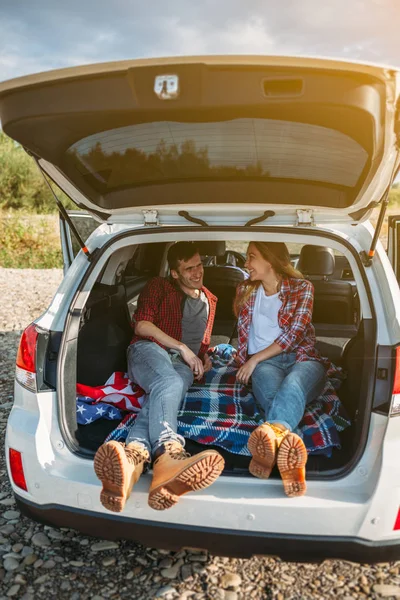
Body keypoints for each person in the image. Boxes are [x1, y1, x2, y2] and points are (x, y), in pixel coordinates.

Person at [94, 242, 225, 512]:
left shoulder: (210, 299)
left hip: (185, 364)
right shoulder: (159, 286)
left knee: (166, 389)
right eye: (188, 268)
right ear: (175, 273)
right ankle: (167, 451)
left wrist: (203, 356)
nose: (197, 272)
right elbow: (142, 324)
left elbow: (199, 341)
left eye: (199, 264)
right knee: (169, 383)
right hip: (150, 350)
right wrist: (183, 348)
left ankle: (134, 458)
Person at [234, 242, 327, 498]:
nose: (246, 263)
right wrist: (251, 361)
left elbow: (294, 335)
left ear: (270, 261)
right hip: (265, 365)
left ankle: (271, 438)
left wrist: (252, 361)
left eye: (251, 257)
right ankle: (290, 459)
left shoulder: (302, 288)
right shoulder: (245, 290)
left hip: (302, 358)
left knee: (294, 384)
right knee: (275, 397)